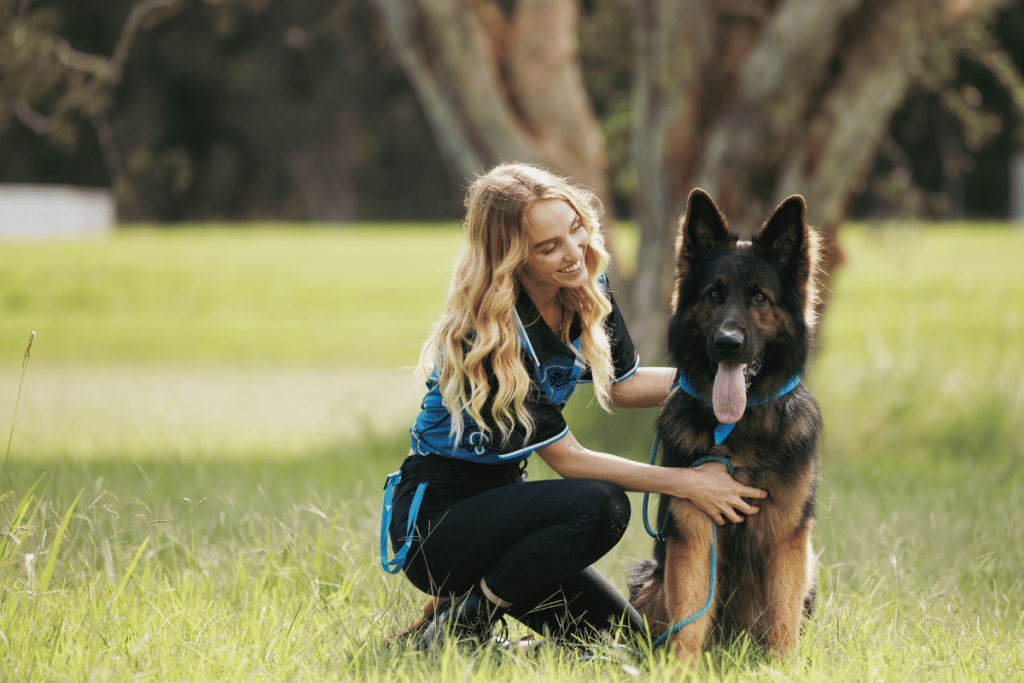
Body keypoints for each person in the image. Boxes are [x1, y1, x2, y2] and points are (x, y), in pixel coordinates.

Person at [381, 162, 766, 651]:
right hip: (437, 526)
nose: (574, 253)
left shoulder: (585, 289)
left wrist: (726, 381)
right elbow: (569, 461)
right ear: (512, 259)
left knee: (633, 649)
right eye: (549, 247)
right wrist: (690, 484)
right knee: (600, 506)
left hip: (510, 518)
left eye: (576, 229)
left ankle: (470, 623)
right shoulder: (493, 332)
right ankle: (462, 626)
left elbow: (623, 386)